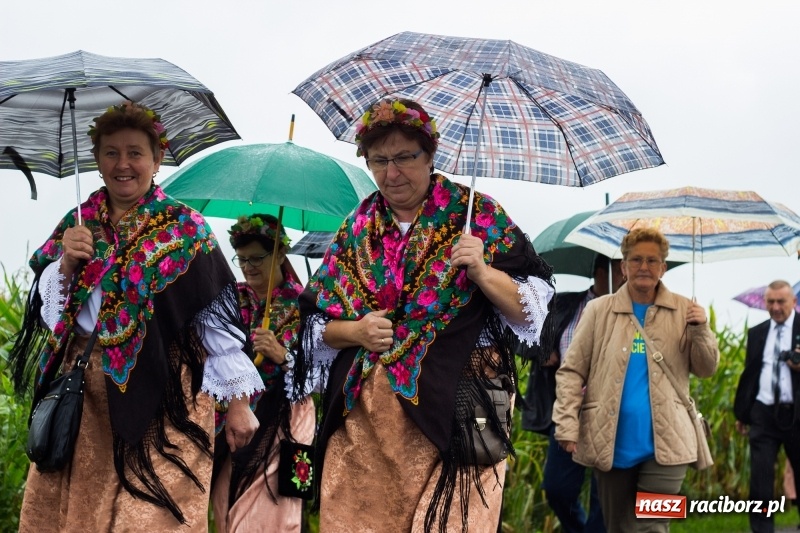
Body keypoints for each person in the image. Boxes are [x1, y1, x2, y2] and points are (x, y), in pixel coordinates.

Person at [290, 98, 555, 532]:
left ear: (431, 156)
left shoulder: (477, 216)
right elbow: (314, 328)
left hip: (458, 413)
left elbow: (533, 314)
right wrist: (355, 331)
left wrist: (484, 273)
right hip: (368, 426)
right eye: (379, 161)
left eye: (404, 158)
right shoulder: (356, 228)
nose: (391, 174)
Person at [9, 101, 263, 532]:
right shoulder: (78, 222)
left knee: (153, 518)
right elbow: (52, 317)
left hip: (168, 400)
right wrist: (66, 265)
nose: (123, 164)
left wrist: (238, 404)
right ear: (97, 159)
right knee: (79, 517)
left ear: (157, 159)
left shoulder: (185, 228)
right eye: (111, 152)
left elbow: (215, 323)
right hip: (85, 396)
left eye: (135, 153)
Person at [552, 227, 719, 533]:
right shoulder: (598, 310)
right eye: (637, 260)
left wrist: (701, 329)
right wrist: (566, 423)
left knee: (651, 526)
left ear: (663, 268)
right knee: (618, 527)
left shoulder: (685, 310)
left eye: (653, 261)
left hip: (671, 444)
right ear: (624, 267)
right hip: (610, 442)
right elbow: (572, 370)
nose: (645, 267)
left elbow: (706, 369)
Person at [211, 214, 316, 532]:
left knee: (271, 514)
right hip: (231, 419)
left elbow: (321, 376)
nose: (248, 266)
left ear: (281, 254)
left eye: (257, 258)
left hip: (286, 419)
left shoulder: (307, 306)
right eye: (241, 259)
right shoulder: (229, 300)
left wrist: (282, 355)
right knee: (225, 507)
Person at [520, 255, 622, 533]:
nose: (626, 275)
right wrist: (540, 351)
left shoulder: (629, 312)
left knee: (604, 495)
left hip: (612, 412)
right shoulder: (565, 304)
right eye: (620, 269)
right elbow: (522, 334)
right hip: (567, 409)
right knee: (557, 488)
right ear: (601, 273)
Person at [734, 280, 800, 533]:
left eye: (780, 301)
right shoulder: (757, 332)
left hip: (796, 413)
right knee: (760, 481)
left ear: (793, 302)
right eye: (770, 301)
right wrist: (743, 413)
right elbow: (750, 375)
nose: (774, 307)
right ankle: (761, 529)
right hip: (763, 412)